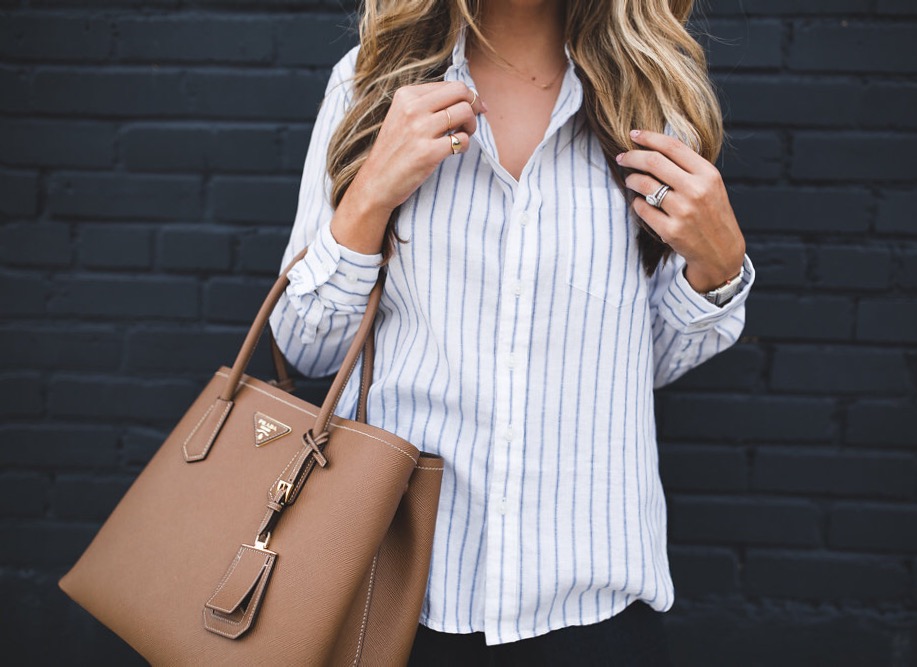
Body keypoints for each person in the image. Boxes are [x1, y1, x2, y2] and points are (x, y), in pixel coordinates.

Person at [270, 0, 754, 664]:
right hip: (396, 600)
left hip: (594, 603)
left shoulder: (652, 100)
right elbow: (305, 344)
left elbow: (643, 364)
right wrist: (369, 198)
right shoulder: (372, 84)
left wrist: (718, 266)